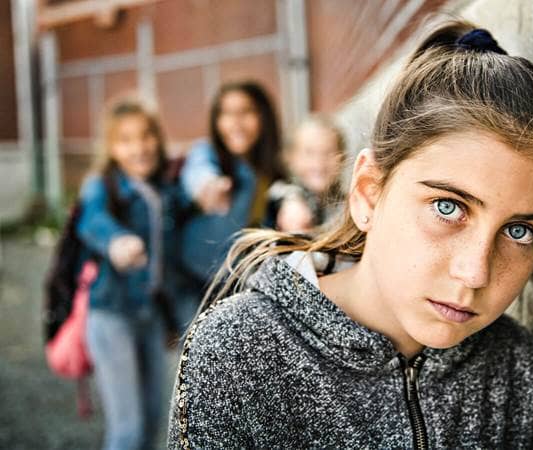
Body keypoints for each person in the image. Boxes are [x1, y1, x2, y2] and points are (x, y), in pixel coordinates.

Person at [168, 21, 533, 449]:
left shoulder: (515, 365)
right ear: (367, 194)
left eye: (519, 230)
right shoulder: (239, 351)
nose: (475, 273)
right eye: (448, 207)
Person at [77, 97, 186, 450]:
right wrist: (117, 241)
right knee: (127, 429)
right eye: (125, 140)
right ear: (110, 147)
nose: (139, 147)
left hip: (150, 316)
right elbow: (91, 219)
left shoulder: (165, 189)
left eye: (146, 136)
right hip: (111, 315)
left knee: (155, 420)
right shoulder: (102, 185)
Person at [176, 81, 283, 329]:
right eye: (226, 113)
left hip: (238, 282)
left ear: (263, 117)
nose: (235, 122)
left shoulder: (268, 170)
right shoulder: (209, 154)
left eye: (245, 112)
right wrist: (208, 187)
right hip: (193, 283)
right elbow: (198, 171)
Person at [265, 114, 346, 232]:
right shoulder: (286, 194)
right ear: (290, 158)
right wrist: (292, 201)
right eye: (309, 153)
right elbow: (278, 194)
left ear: (343, 158)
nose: (319, 162)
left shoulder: (346, 203)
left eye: (328, 152)